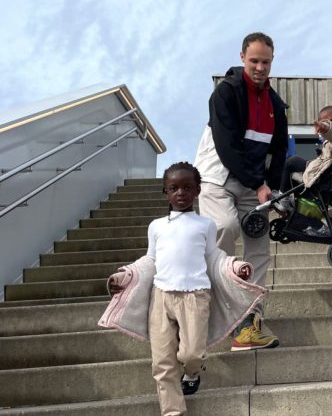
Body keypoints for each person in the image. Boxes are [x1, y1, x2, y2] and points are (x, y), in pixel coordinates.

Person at [100, 162, 267, 416]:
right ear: (165, 192)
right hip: (161, 298)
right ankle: (173, 411)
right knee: (163, 364)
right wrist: (124, 276)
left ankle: (192, 373)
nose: (181, 193)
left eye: (188, 187)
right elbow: (150, 260)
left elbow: (213, 257)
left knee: (191, 355)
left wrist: (235, 267)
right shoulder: (156, 226)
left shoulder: (205, 225)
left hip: (196, 297)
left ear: (198, 191)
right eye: (174, 188)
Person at [193, 32, 287, 351]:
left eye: (266, 62)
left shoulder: (276, 105)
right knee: (225, 227)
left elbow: (278, 151)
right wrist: (259, 184)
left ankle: (248, 322)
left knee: (259, 243)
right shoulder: (226, 93)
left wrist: (272, 188)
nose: (260, 67)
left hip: (253, 183)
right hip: (217, 176)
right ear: (242, 57)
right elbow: (227, 146)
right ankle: (207, 304)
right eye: (254, 60)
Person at [276, 105, 332, 225]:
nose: (325, 123)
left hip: (329, 177)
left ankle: (283, 201)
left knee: (292, 161)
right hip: (329, 173)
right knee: (294, 172)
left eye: (330, 120)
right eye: (322, 122)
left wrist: (328, 128)